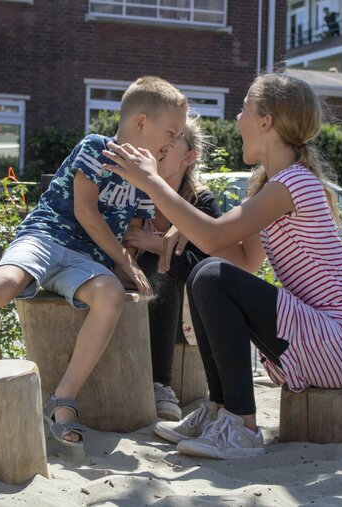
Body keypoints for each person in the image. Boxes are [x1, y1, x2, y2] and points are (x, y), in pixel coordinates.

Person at [0, 76, 188, 452]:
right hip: (46, 238)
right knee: (8, 279)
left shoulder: (146, 179)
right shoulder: (96, 147)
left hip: (84, 260)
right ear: (141, 123)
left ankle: (63, 400)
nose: (174, 143)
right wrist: (124, 261)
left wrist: (137, 260)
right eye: (171, 132)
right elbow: (86, 212)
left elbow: (134, 232)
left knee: (110, 294)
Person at [102, 73, 342, 459]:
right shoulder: (274, 185)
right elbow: (243, 260)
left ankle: (242, 425)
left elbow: (213, 238)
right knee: (203, 273)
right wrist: (186, 229)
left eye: (245, 107)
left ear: (266, 121)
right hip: (326, 341)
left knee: (210, 273)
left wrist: (152, 183)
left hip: (340, 341)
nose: (237, 118)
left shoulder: (292, 184)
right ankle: (219, 411)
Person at [122, 117, 223, 421]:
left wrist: (154, 244)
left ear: (190, 156)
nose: (163, 144)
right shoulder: (134, 193)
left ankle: (160, 384)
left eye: (174, 138)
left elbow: (207, 270)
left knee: (160, 263)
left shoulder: (199, 200)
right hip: (134, 308)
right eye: (164, 136)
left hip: (186, 318)